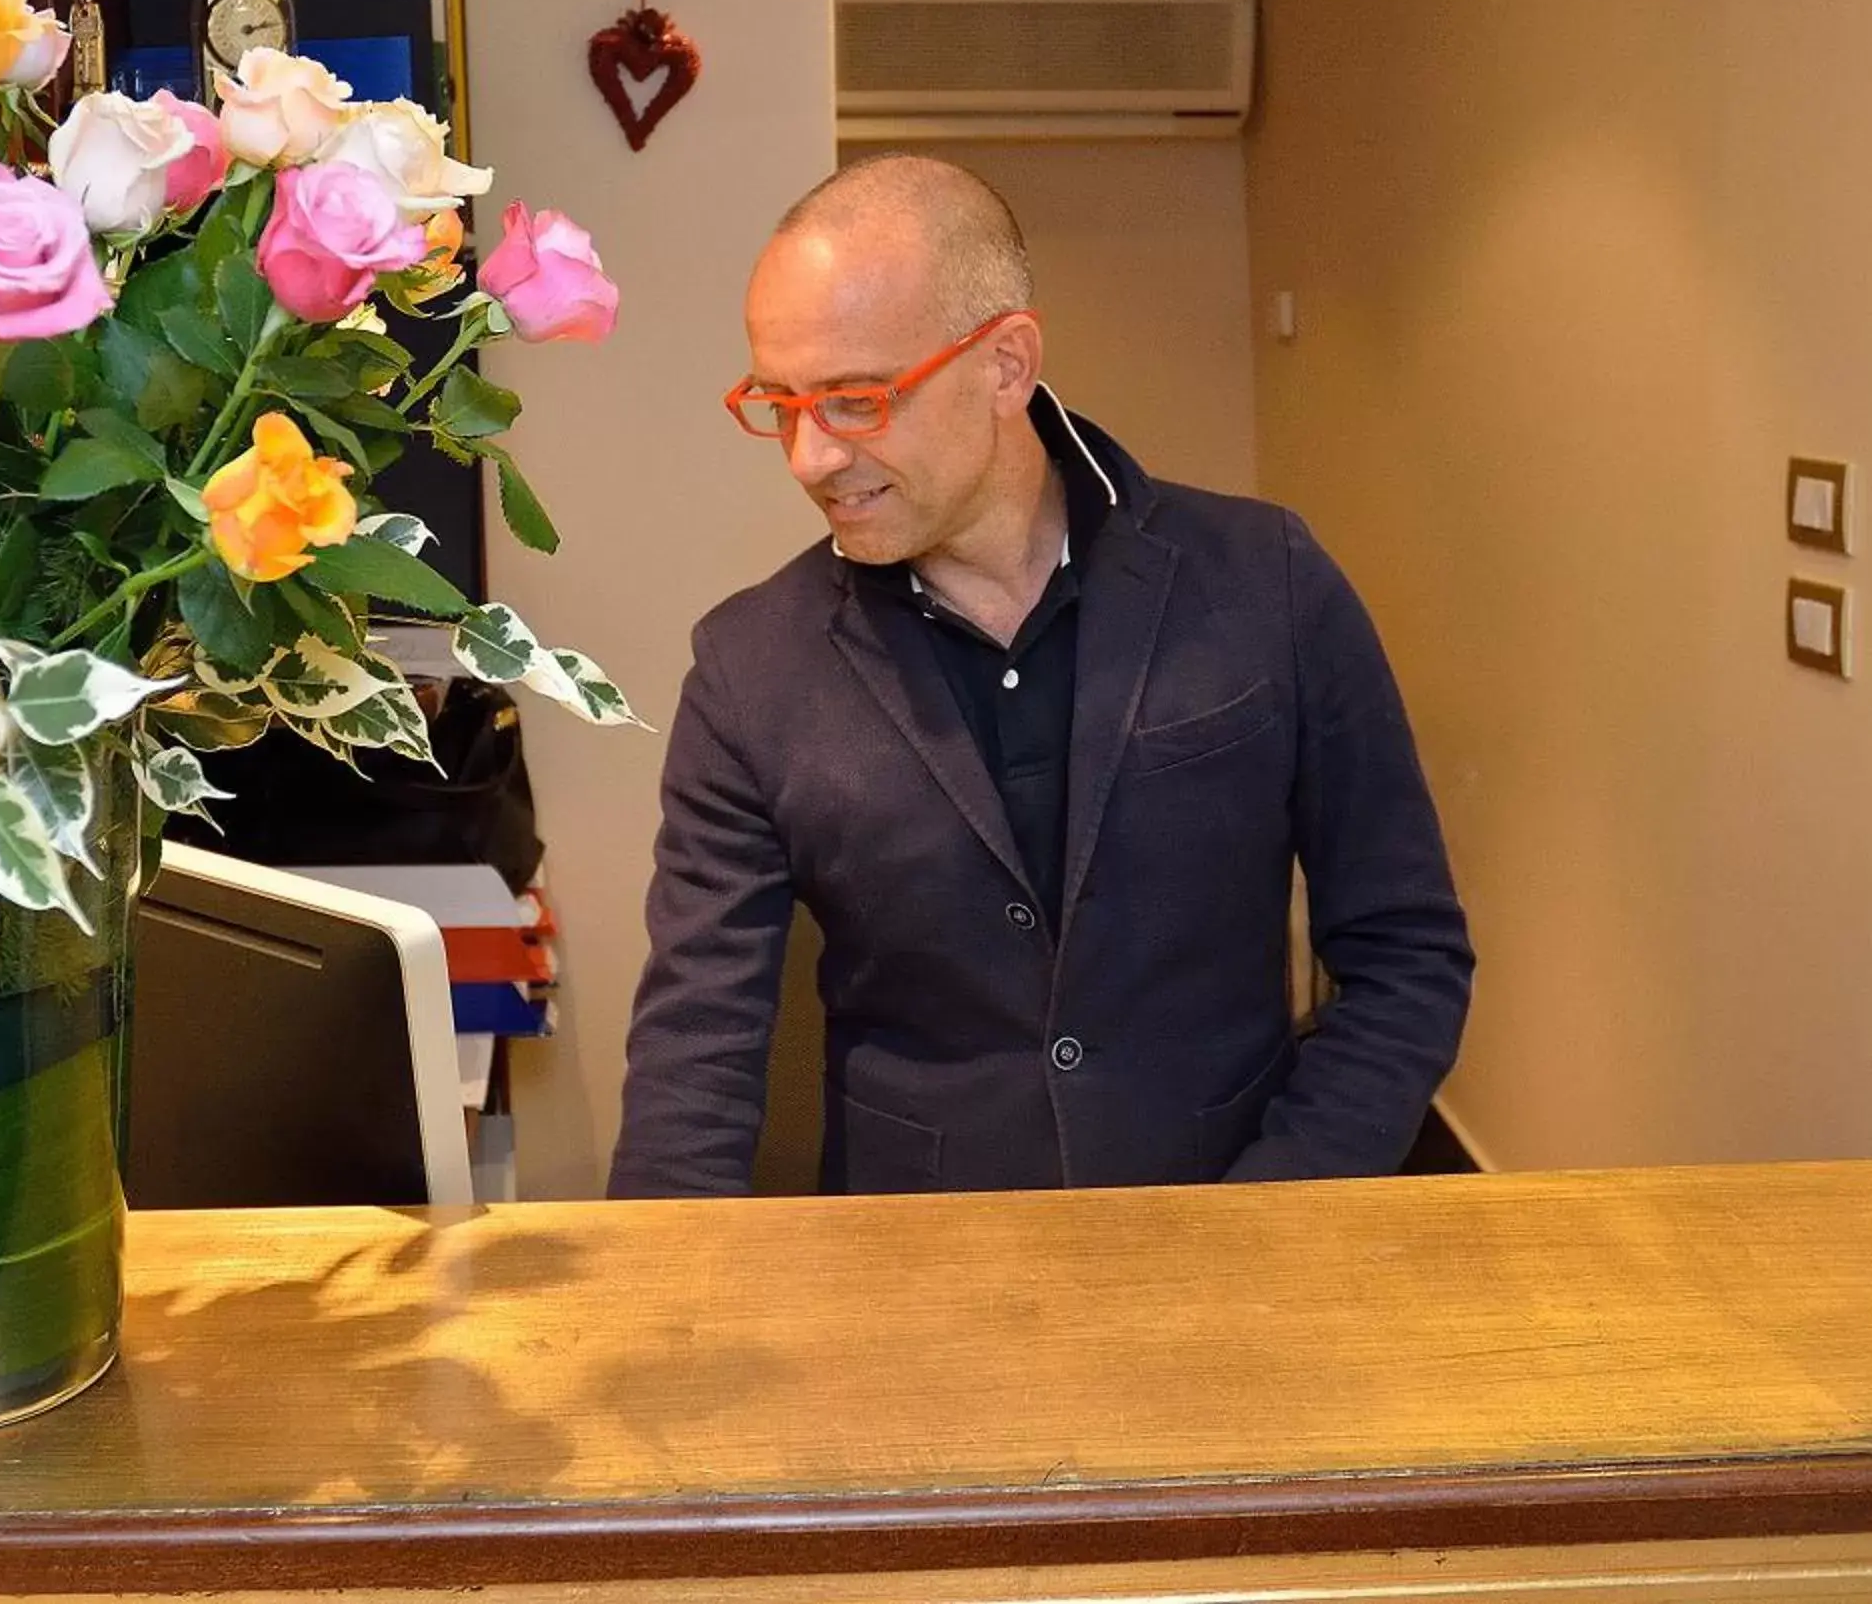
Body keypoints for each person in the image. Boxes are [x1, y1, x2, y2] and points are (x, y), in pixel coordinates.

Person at [609, 155, 1472, 1197]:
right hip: (913, 1270)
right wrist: (663, 1315)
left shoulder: (1267, 579)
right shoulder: (750, 668)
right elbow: (694, 1056)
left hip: (1243, 1230)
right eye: (777, 403)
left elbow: (1404, 956)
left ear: (1008, 365)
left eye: (853, 400)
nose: (808, 457)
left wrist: (1279, 1210)